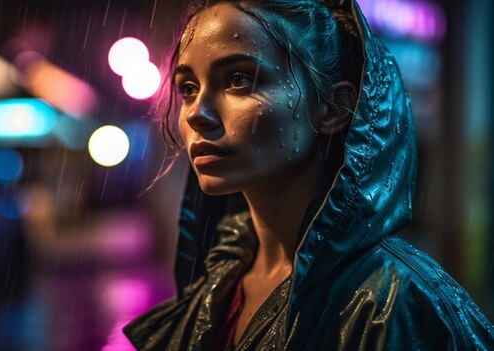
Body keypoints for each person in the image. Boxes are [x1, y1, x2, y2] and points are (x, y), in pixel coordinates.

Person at [124, 0, 494, 349]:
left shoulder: (397, 305)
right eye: (188, 88)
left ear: (334, 109)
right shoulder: (219, 282)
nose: (194, 113)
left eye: (238, 79)